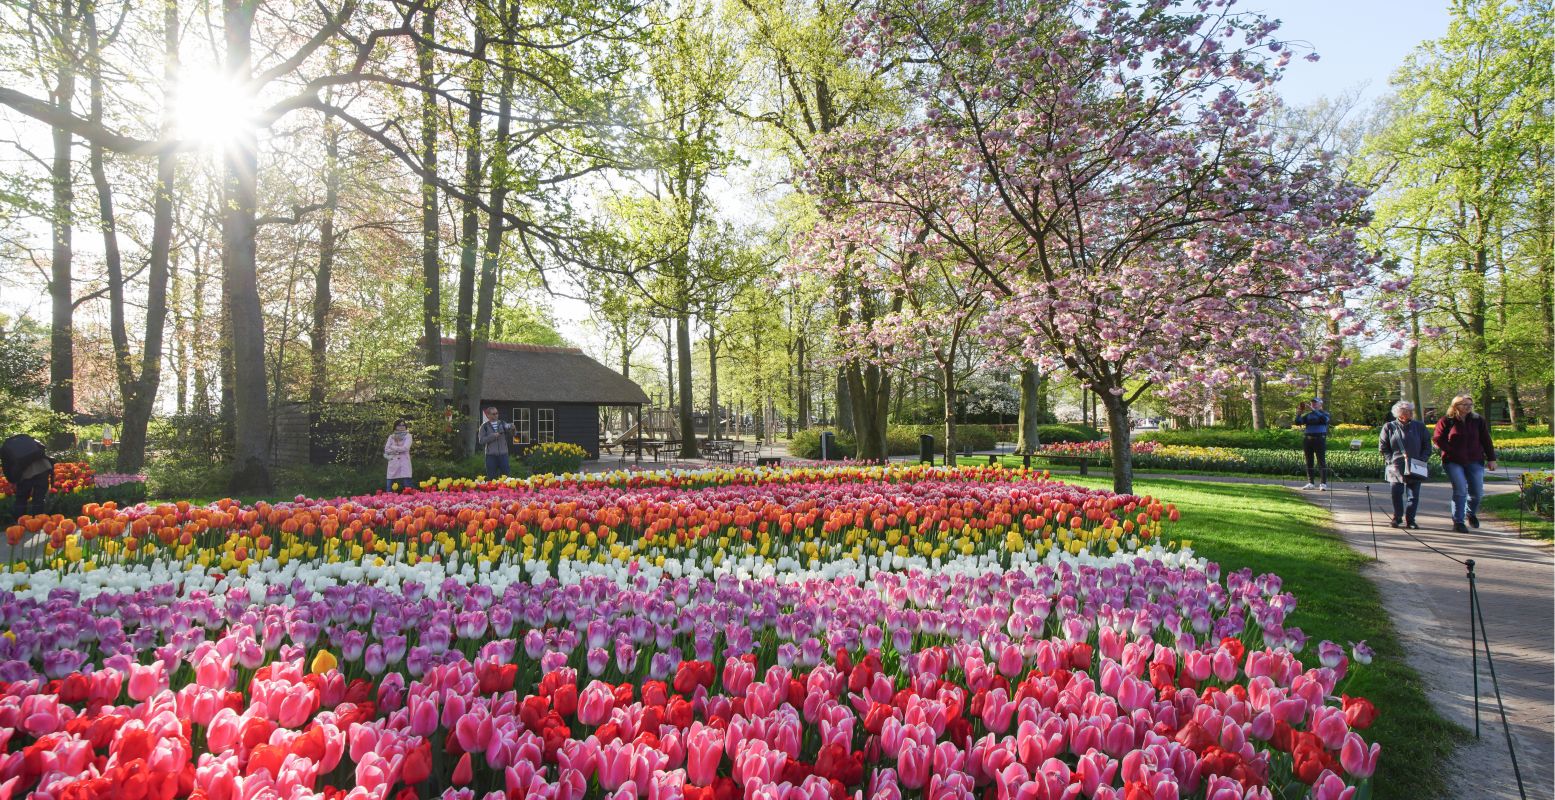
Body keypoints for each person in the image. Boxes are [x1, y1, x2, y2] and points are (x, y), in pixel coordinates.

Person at [1433, 395, 1497, 533]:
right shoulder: (1446, 421)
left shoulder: (1478, 420)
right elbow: (1438, 438)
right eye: (1464, 404)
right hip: (1453, 461)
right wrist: (1451, 450)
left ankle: (1470, 512)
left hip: (1475, 460)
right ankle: (1458, 521)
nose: (1468, 407)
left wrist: (1491, 458)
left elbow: (1486, 440)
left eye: (1470, 404)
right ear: (1455, 406)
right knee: (1460, 490)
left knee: (1477, 493)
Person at [1379, 400, 1431, 529]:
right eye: (1407, 411)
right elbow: (1383, 446)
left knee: (1413, 495)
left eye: (1411, 411)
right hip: (1396, 465)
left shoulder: (1419, 426)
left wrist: (1422, 459)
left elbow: (1427, 446)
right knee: (1396, 492)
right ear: (1399, 413)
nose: (1411, 413)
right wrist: (1390, 460)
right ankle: (1397, 517)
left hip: (1416, 464)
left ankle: (1411, 520)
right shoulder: (1389, 427)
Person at [0, 434, 53, 519]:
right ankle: (38, 521)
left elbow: (6, 467)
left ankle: (21, 522)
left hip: (25, 473)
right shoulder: (28, 439)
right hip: (43, 467)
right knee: (39, 498)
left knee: (21, 498)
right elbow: (43, 448)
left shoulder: (6, 448)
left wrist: (12, 480)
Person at [1294, 398, 1331, 490]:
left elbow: (1325, 420)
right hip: (1308, 440)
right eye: (1312, 403)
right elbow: (1298, 422)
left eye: (1315, 403)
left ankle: (1323, 484)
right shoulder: (1308, 415)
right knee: (1309, 461)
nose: (1313, 404)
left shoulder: (1325, 413)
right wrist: (1299, 413)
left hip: (1320, 440)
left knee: (1321, 461)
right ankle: (1311, 483)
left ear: (1320, 404)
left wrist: (1314, 410)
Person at [477, 407, 513, 479]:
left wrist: (513, 429)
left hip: (503, 455)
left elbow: (513, 434)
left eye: (497, 413)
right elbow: (481, 440)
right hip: (491, 456)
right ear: (488, 415)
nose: (496, 415)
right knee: (492, 479)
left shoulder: (503, 423)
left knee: (506, 478)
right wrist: (492, 436)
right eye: (493, 414)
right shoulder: (484, 426)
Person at [383, 418, 413, 493]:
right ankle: (388, 501)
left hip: (404, 462)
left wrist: (393, 447)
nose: (401, 427)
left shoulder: (408, 436)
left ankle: (409, 501)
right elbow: (386, 450)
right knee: (390, 486)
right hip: (393, 463)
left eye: (403, 425)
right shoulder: (391, 437)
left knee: (407, 485)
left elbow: (405, 448)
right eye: (399, 425)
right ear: (395, 426)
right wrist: (398, 450)